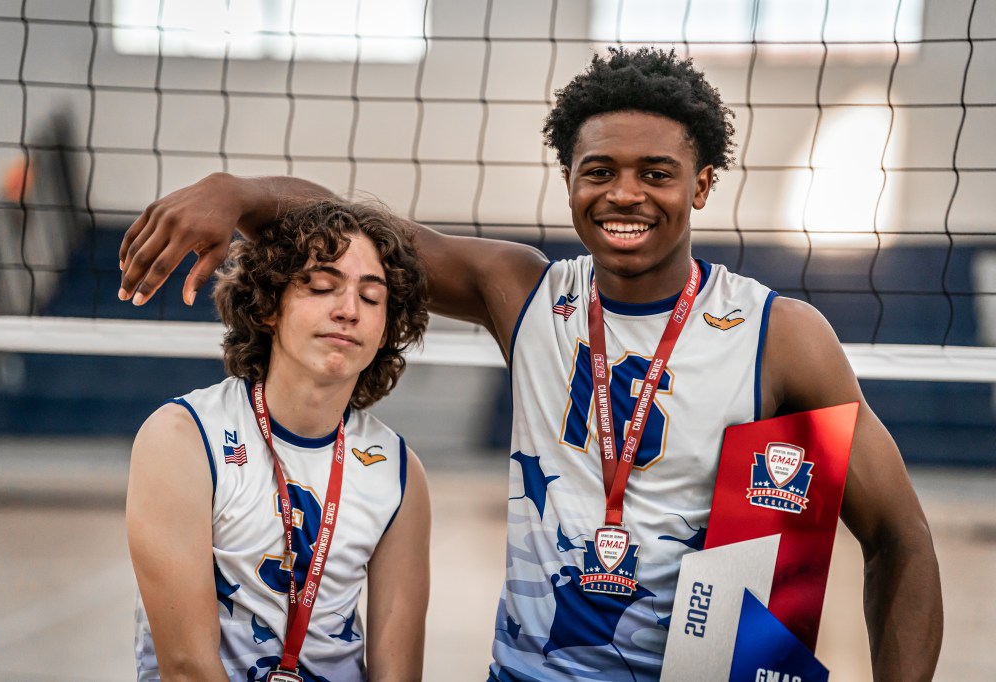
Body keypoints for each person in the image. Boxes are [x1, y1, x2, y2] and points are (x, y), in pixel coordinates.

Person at [118, 47, 942, 680]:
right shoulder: (525, 295)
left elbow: (898, 537)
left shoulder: (779, 334)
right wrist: (238, 193)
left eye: (656, 174)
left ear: (702, 185)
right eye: (599, 172)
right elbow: (360, 233)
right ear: (569, 181)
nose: (625, 194)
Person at [125, 199, 432, 681]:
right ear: (268, 306)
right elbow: (187, 668)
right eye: (322, 287)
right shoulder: (183, 438)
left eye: (372, 298)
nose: (349, 310)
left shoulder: (398, 471)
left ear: (384, 330)